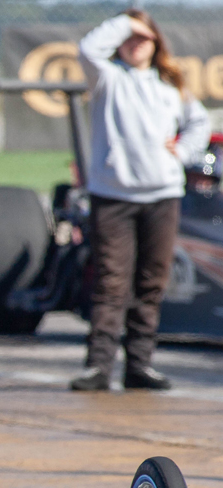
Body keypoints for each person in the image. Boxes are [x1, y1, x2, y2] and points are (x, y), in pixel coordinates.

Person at [71, 9, 210, 391]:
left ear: (156, 43)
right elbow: (87, 49)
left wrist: (180, 154)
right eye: (130, 38)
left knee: (151, 281)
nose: (136, 44)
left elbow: (200, 124)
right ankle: (98, 366)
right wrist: (128, 22)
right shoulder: (108, 79)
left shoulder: (170, 86)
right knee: (112, 282)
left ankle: (140, 365)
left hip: (162, 196)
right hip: (113, 196)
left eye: (144, 38)